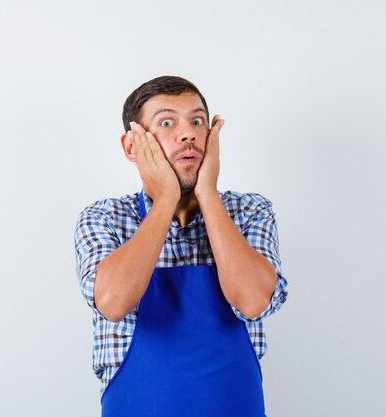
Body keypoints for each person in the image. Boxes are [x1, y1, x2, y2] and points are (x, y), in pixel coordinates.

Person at [74, 75, 288, 417]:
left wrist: (208, 195)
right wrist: (165, 200)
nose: (187, 133)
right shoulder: (105, 218)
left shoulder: (249, 212)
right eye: (167, 122)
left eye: (198, 121)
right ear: (132, 146)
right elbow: (113, 302)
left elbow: (252, 302)